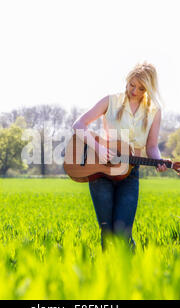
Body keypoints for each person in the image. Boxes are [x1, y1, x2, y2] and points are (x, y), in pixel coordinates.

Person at [72, 61, 168, 252]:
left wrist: (158, 160)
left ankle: (130, 274)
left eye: (141, 88)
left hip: (130, 175)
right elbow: (79, 125)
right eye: (132, 84)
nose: (134, 91)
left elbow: (151, 146)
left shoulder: (154, 112)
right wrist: (98, 147)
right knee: (107, 232)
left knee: (123, 233)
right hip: (102, 173)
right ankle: (108, 276)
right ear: (127, 80)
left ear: (149, 89)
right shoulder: (110, 101)